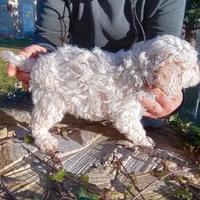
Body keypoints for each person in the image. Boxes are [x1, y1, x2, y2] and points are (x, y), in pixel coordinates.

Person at [7, 0, 186, 119]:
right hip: (76, 93)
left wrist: (174, 96)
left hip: (135, 101)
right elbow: (49, 38)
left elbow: (167, 57)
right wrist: (41, 54)